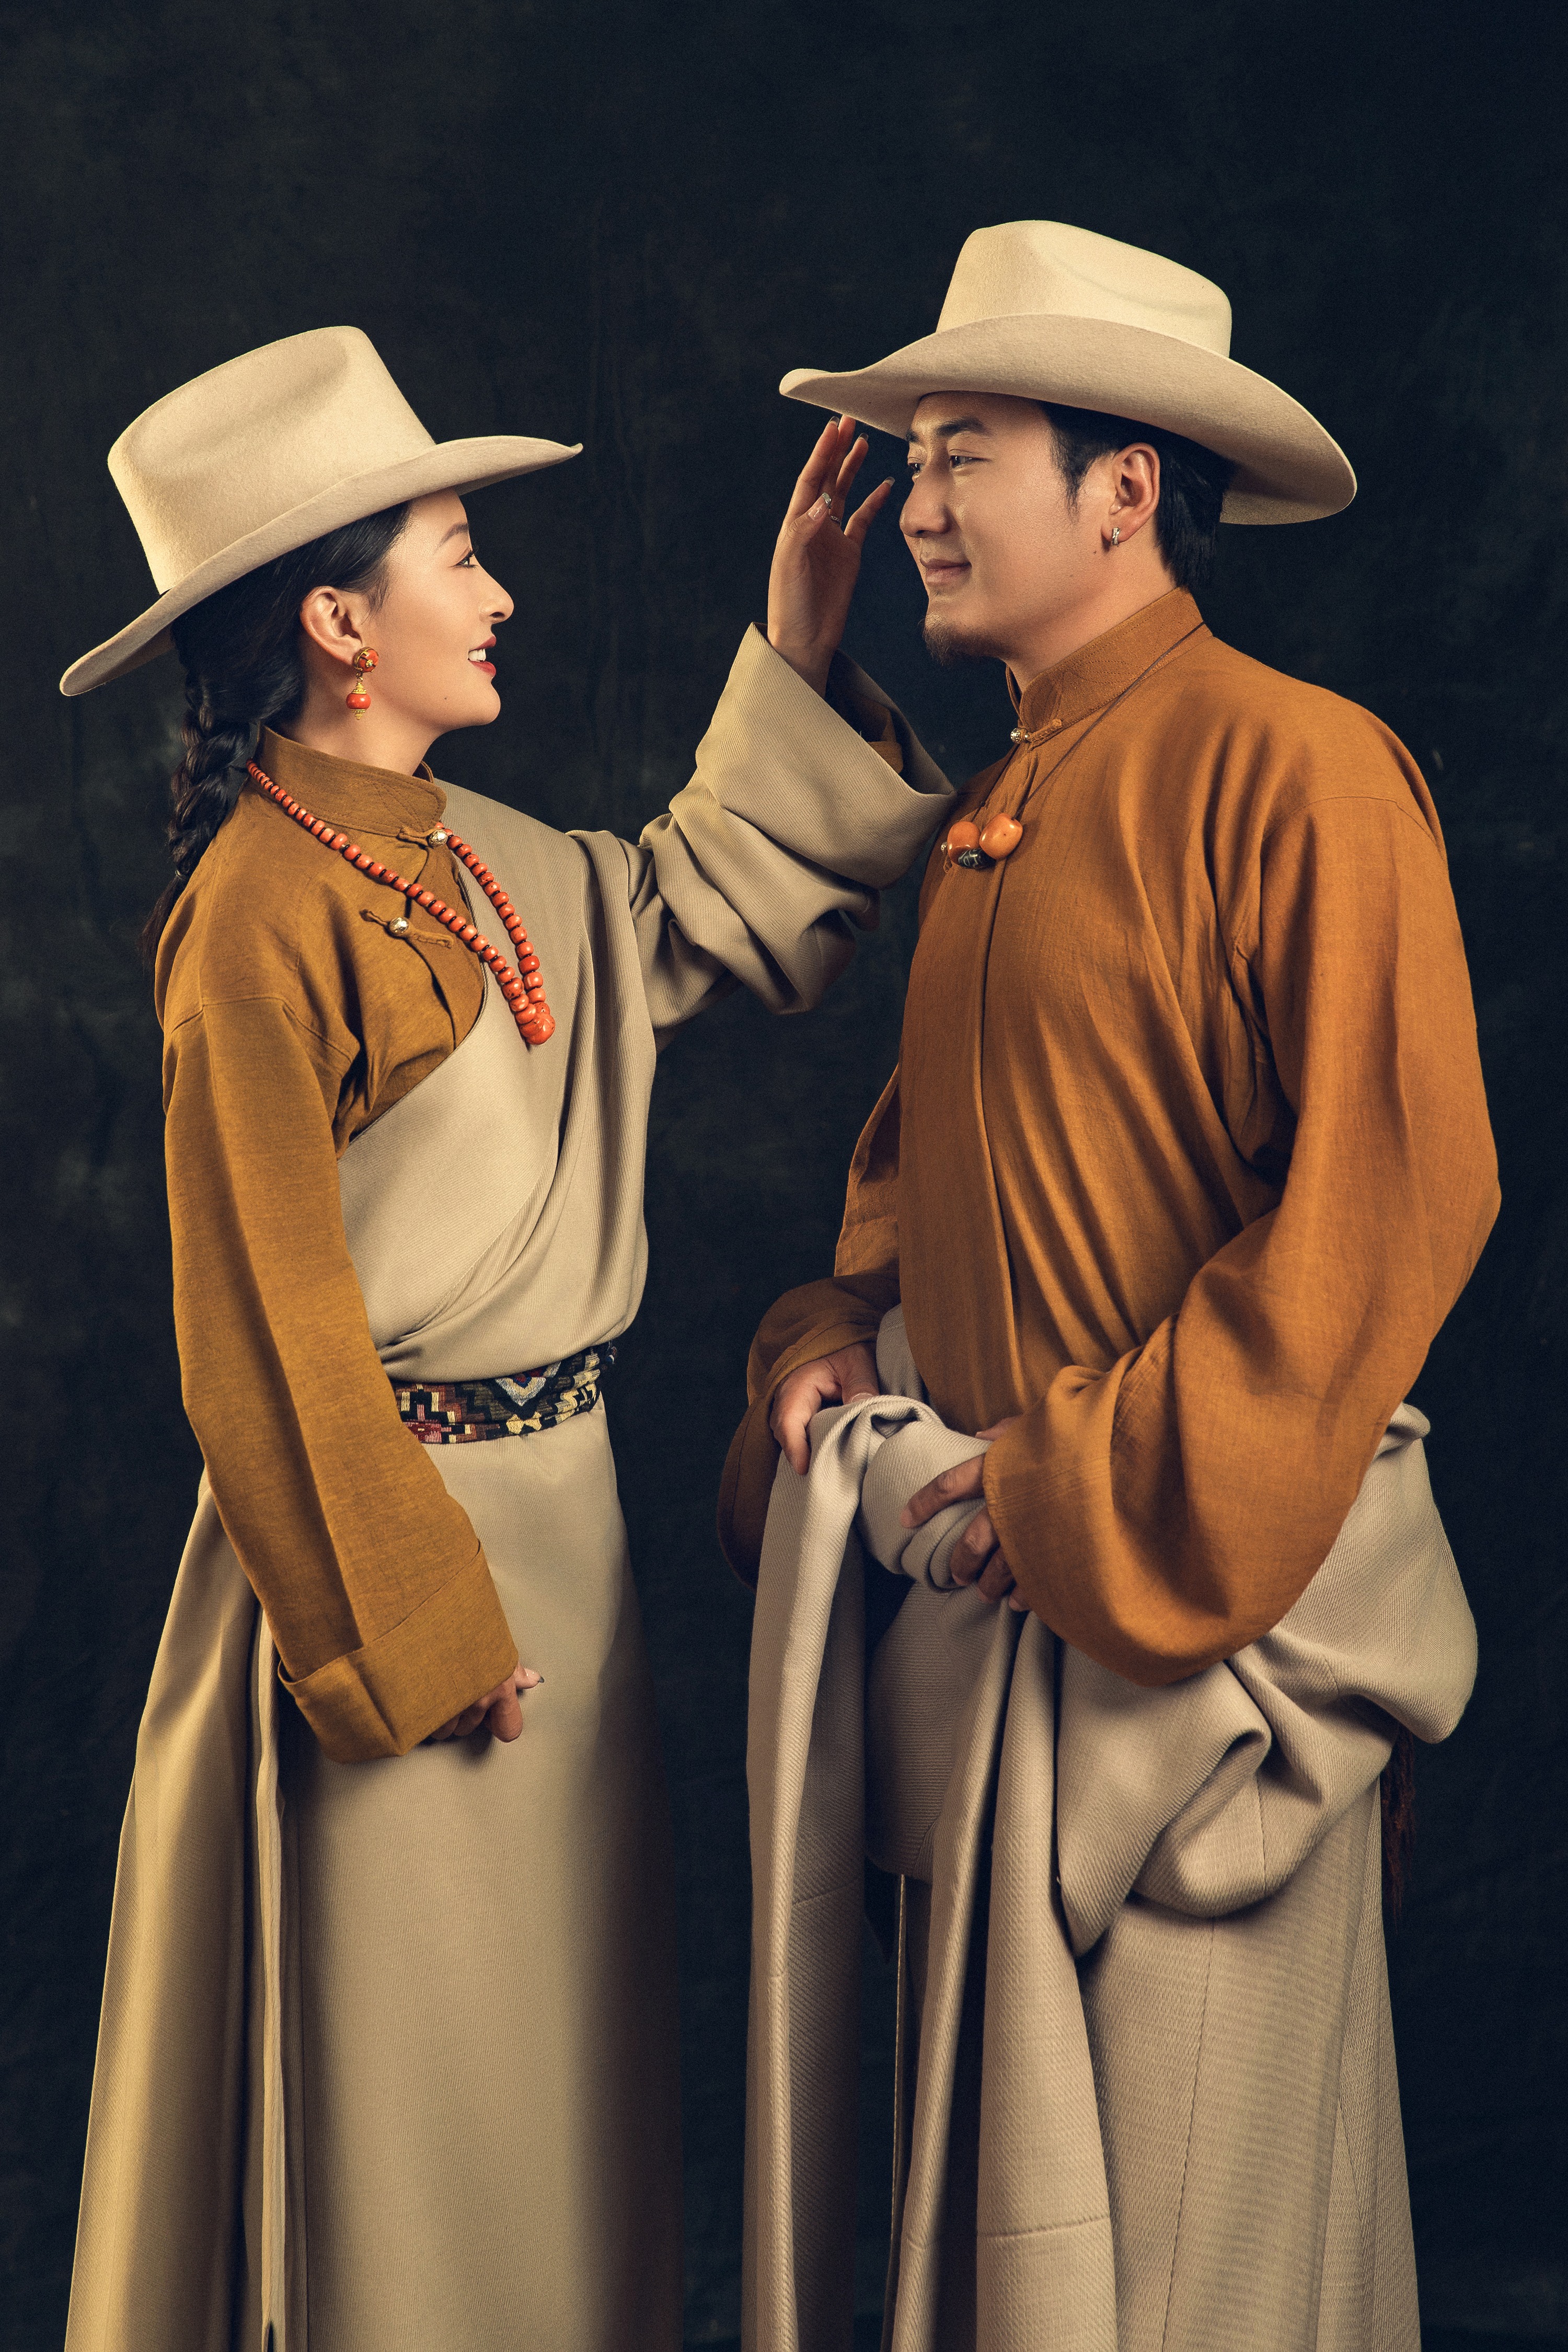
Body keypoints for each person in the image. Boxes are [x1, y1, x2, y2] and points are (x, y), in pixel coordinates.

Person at [59, 326, 952, 2352]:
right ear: (338, 623)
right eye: (461, 554)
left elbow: (695, 909)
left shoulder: (486, 859)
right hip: (389, 1579)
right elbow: (263, 1326)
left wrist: (798, 647)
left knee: (562, 2093)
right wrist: (420, 1632)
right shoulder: (255, 919)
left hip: (569, 1554)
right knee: (415, 2107)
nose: (502, 595)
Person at [722, 223, 1499, 2350]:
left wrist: (1071, 1488)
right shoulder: (1003, 799)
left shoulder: (1303, 765)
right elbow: (925, 1178)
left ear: (1128, 486)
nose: (919, 504)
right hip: (1006, 1652)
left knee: (1192, 2279)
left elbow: (1389, 1206)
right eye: (914, 455)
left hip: (1205, 1672)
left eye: (964, 449)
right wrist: (838, 1340)